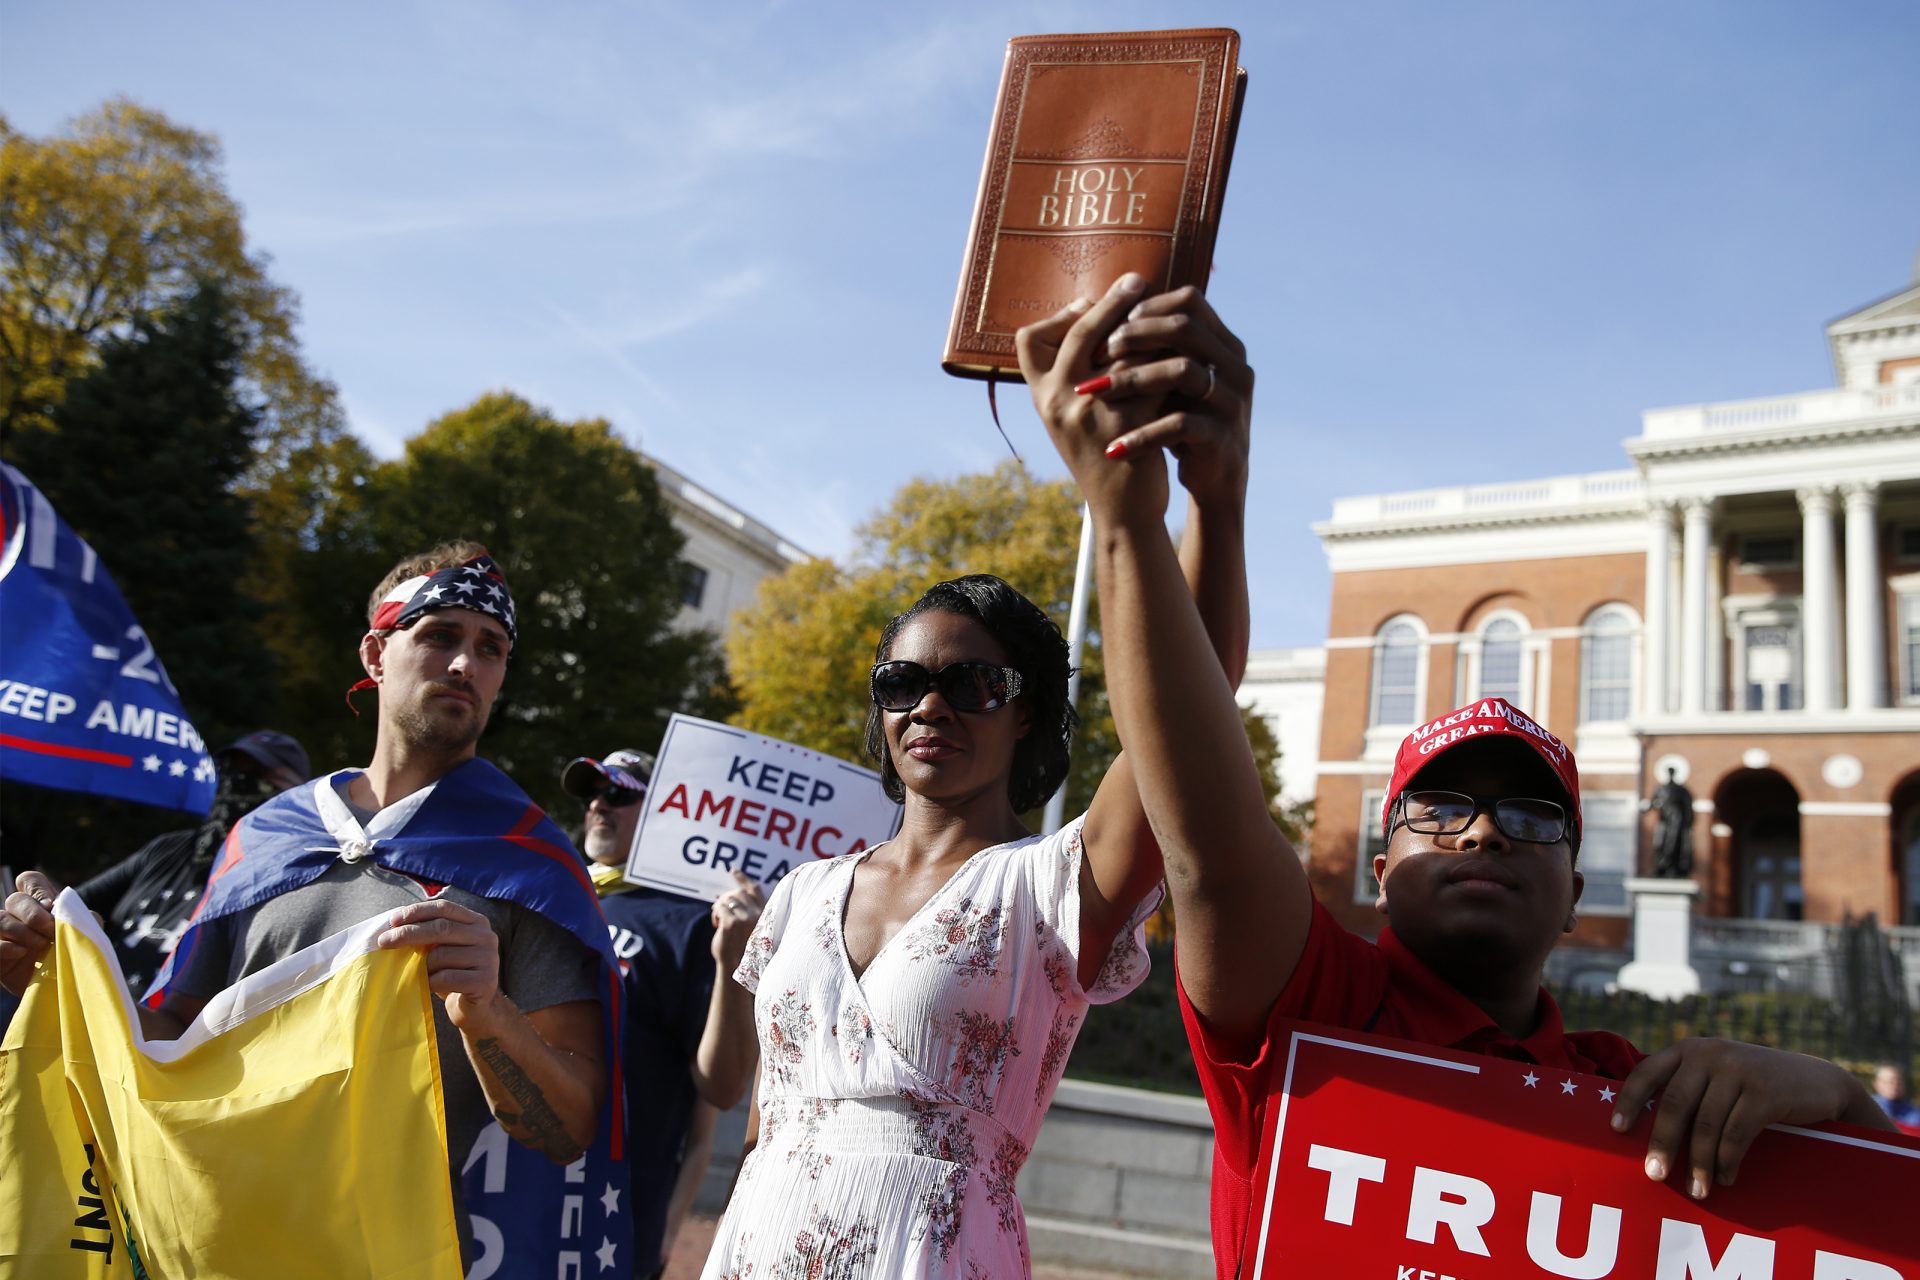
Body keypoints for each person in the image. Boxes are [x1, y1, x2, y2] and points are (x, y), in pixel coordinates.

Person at [1017, 272, 1897, 1276]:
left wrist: (1835, 1092)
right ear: (1381, 865)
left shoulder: (1636, 1093)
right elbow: (1209, 838)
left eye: (1531, 815)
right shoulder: (1315, 1005)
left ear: (1576, 891)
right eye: (1441, 808)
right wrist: (1134, 516)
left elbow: (1876, 1228)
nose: (1482, 832)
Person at [700, 288, 1254, 1280]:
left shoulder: (1049, 888)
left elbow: (1191, 713)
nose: (931, 706)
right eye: (902, 681)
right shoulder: (798, 892)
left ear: (1028, 709)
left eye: (974, 682)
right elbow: (758, 1118)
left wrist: (1214, 498)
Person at [2, 541, 625, 1271]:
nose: (466, 665)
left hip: (388, 1254)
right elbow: (169, 1033)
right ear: (375, 653)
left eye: (491, 649)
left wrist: (489, 1015)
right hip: (204, 1242)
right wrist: (64, 972)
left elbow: (570, 1127)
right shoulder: (263, 835)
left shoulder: (527, 858)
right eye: (439, 636)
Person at [562, 747, 763, 1279]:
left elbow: (711, 1107)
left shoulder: (694, 921)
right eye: (593, 793)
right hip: (527, 1198)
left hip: (616, 1222)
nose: (599, 806)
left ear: (668, 814)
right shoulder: (557, 898)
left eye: (621, 793)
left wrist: (670, 1228)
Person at [75, 729, 310, 992]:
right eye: (234, 770)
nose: (242, 783)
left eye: (267, 778)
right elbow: (70, 910)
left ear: (297, 795)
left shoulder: (289, 880)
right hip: (91, 1012)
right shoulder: (170, 849)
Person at [1645, 764, 1695, 879]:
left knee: (1674, 845)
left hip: (1677, 823)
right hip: (1664, 822)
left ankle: (1674, 868)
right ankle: (1660, 867)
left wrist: (1687, 823)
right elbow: (1653, 803)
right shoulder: (1661, 789)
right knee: (1660, 843)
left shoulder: (1682, 791)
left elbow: (1688, 808)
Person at [1873, 1062, 1920, 1134]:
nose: (1895, 1085)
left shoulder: (1915, 1116)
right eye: (1890, 1081)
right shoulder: (1865, 1108)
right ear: (1877, 1084)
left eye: (1899, 1081)